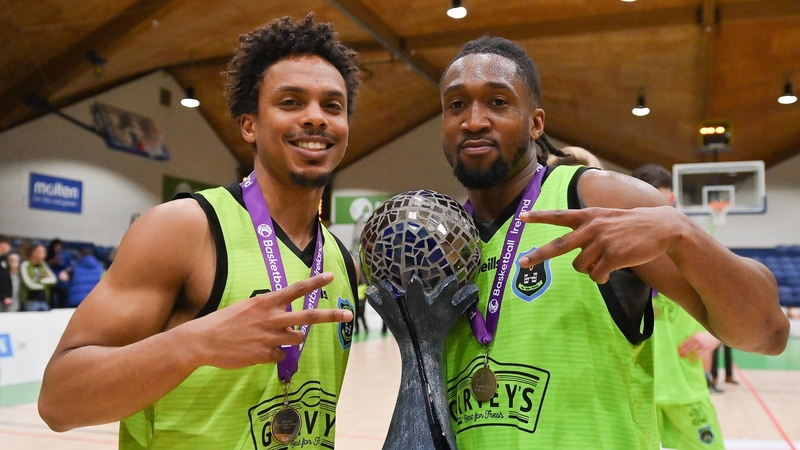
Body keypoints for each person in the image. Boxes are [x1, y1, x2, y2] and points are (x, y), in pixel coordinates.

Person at [439, 36, 789, 449]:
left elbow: (767, 334)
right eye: (456, 104)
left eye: (498, 102)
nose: (474, 120)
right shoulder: (441, 239)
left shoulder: (598, 197)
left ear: (535, 123)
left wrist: (683, 234)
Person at [38, 14, 359, 449]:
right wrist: (195, 343)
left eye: (332, 106)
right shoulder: (184, 228)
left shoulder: (339, 258)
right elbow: (59, 401)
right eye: (290, 102)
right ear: (249, 124)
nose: (316, 118)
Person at [633, 163, 724, 449]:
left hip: (686, 386)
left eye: (667, 200)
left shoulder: (694, 249)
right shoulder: (620, 251)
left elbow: (726, 299)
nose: (663, 208)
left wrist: (717, 335)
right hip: (637, 391)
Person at [20, 243, 57, 311]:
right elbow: (28, 284)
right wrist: (44, 279)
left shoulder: (44, 265)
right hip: (30, 302)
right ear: (34, 253)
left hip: (44, 300)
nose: (45, 254)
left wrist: (37, 280)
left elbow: (53, 280)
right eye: (42, 252)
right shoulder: (25, 265)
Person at [0, 235, 14, 311]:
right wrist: (3, 297)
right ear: (1, 244)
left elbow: (7, 279)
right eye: (8, 245)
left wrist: (9, 296)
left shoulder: (4, 260)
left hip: (6, 300)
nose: (9, 248)